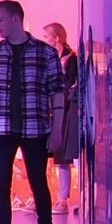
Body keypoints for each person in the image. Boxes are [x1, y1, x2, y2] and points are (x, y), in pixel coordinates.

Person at [0, 0, 64, 224]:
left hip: (35, 127)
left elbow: (57, 92)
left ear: (16, 19)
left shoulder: (44, 53)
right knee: (0, 185)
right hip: (2, 128)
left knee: (38, 182)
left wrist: (58, 128)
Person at [43, 21, 83, 206]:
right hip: (56, 113)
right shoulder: (54, 59)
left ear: (56, 38)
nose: (45, 40)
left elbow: (67, 87)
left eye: (47, 36)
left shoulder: (70, 60)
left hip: (67, 114)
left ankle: (67, 200)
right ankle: (57, 198)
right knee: (59, 159)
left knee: (68, 158)